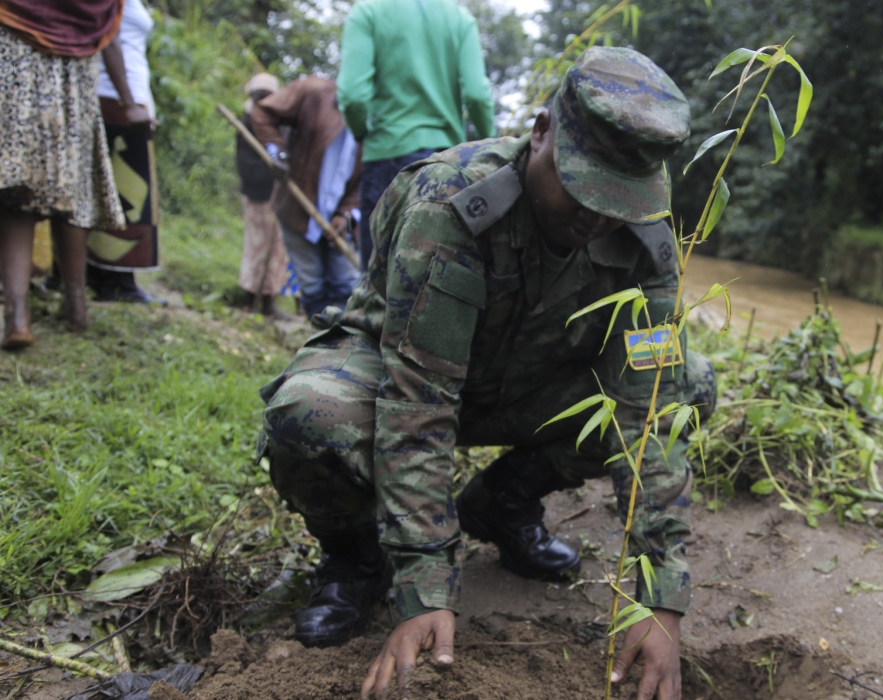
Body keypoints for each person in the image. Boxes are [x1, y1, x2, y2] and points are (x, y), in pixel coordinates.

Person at [257, 47, 715, 700]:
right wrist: (425, 587)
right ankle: (357, 558)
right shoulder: (451, 205)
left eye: (618, 199)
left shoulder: (645, 241)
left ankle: (502, 502)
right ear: (540, 132)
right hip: (402, 374)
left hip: (529, 386)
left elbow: (651, 416)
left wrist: (660, 599)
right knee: (309, 417)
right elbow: (418, 400)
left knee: (693, 387)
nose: (596, 216)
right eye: (582, 184)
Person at [0, 0, 151, 349]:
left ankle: (17, 317)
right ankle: (75, 306)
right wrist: (129, 102)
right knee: (75, 188)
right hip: (75, 74)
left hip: (16, 63)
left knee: (18, 193)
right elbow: (108, 36)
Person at [337, 0, 494, 270]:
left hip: (386, 158)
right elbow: (478, 97)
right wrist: (490, 144)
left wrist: (362, 133)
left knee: (377, 281)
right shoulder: (458, 18)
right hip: (446, 164)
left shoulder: (368, 12)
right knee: (436, 276)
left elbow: (352, 97)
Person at [251, 76, 362, 318]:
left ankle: (345, 347)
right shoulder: (313, 92)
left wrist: (347, 214)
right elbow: (262, 113)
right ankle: (322, 346)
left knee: (347, 288)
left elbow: (366, 179)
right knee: (312, 288)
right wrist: (276, 151)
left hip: (339, 223)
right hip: (298, 209)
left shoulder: (378, 123)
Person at [87, 0, 165, 305]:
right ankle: (115, 281)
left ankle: (107, 277)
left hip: (127, 99)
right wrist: (129, 103)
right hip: (113, 97)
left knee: (123, 192)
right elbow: (109, 39)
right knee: (124, 195)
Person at [236, 72, 292, 319]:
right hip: (257, 192)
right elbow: (245, 161)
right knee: (256, 245)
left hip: (277, 194)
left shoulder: (279, 122)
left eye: (267, 96)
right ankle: (251, 299)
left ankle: (268, 301)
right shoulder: (247, 122)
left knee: (276, 246)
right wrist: (267, 172)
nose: (262, 101)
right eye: (258, 96)